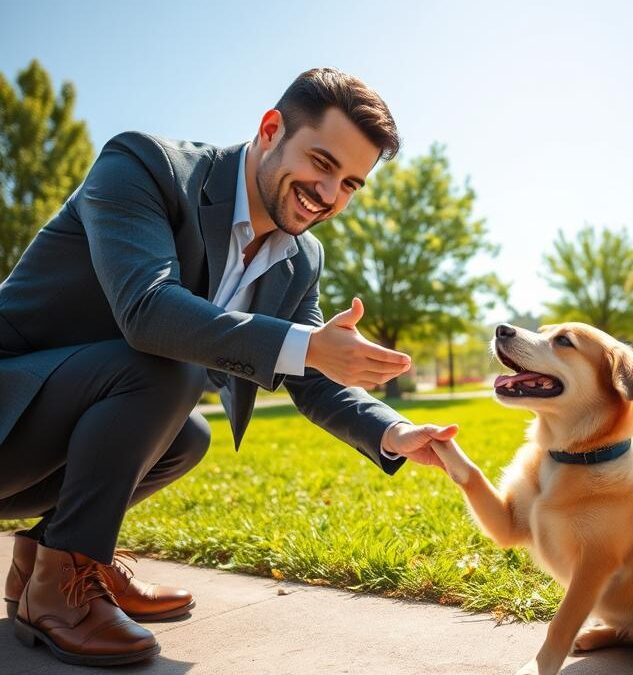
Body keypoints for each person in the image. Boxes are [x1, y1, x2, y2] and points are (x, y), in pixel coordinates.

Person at [0, 67, 457, 667]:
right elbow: (149, 311)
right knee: (168, 369)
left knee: (188, 436)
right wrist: (307, 345)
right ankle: (60, 597)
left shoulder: (300, 258)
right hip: (11, 411)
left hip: (55, 434)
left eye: (350, 183)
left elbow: (307, 369)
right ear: (271, 129)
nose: (329, 196)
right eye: (321, 163)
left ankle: (54, 563)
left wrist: (391, 430)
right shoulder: (144, 167)